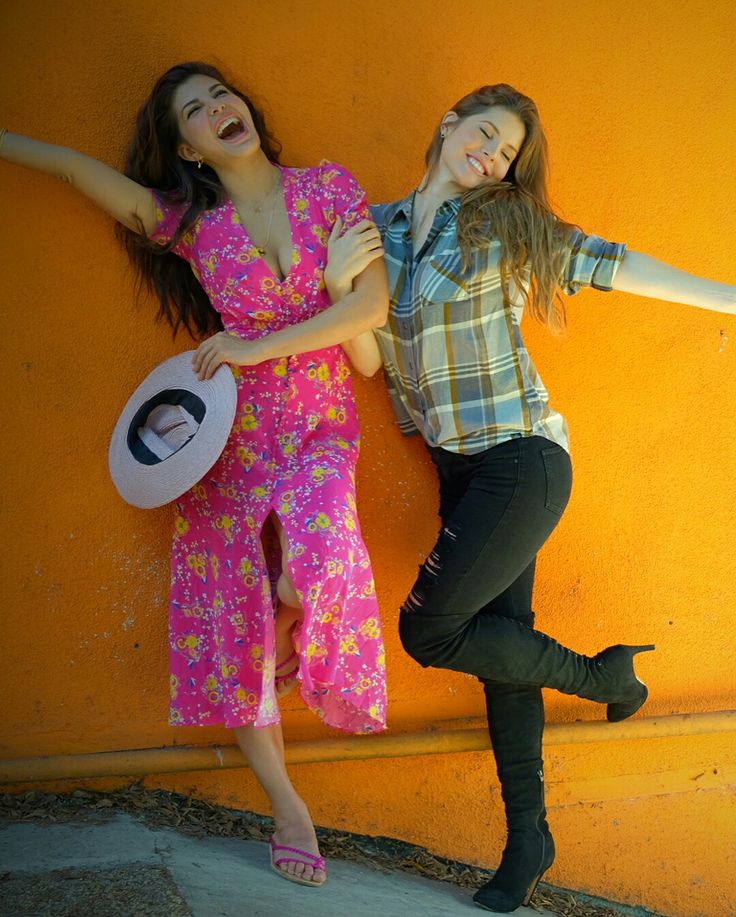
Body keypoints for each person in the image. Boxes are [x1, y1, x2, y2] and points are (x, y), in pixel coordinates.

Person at [329, 83, 735, 912]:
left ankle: (603, 678)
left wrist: (730, 297)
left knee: (427, 629)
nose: (490, 155)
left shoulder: (502, 225)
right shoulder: (373, 229)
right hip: (461, 471)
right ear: (446, 125)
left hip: (522, 459)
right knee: (497, 649)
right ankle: (530, 842)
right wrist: (343, 285)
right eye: (483, 134)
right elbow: (371, 364)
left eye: (505, 152)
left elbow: (610, 262)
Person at [0, 61, 390, 889]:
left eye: (222, 93)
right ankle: (288, 807)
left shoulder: (328, 189)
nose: (219, 108)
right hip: (227, 437)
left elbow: (368, 312)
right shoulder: (184, 222)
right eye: (195, 109)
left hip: (319, 424)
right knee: (230, 631)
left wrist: (254, 343)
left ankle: (292, 610)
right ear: (187, 146)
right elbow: (74, 169)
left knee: (319, 560)